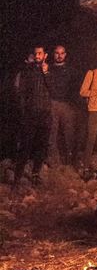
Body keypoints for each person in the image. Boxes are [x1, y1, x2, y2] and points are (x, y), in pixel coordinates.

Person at [14, 45, 51, 185]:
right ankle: (17, 176)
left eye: (40, 53)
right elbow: (20, 92)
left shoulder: (49, 71)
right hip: (30, 114)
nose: (37, 56)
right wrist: (23, 111)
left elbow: (54, 90)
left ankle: (36, 173)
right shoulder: (27, 70)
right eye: (35, 53)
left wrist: (46, 73)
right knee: (26, 145)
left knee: (42, 145)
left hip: (45, 114)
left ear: (45, 55)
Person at [43, 45, 80, 165]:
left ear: (65, 54)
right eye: (57, 53)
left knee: (69, 134)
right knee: (51, 134)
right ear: (54, 54)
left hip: (67, 105)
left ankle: (69, 161)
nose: (59, 56)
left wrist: (74, 104)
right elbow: (50, 88)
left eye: (62, 53)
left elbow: (73, 88)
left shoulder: (70, 70)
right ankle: (53, 161)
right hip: (52, 103)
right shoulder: (49, 69)